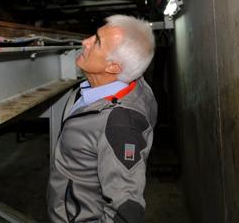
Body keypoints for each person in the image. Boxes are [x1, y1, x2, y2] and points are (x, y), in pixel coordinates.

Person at [47, 15, 157, 223]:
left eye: (96, 42)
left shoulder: (120, 126)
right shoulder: (133, 82)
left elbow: (126, 210)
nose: (84, 42)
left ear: (114, 67)